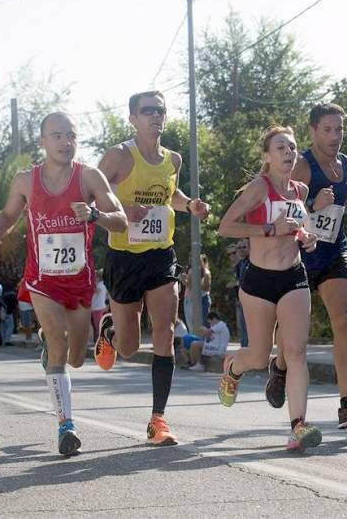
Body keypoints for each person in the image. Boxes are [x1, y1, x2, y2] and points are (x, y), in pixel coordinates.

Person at [0, 111, 127, 456]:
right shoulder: (25, 180)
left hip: (79, 282)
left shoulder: (89, 177)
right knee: (60, 346)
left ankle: (64, 347)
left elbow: (120, 221)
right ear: (42, 142)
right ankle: (65, 426)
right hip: (42, 280)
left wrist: (94, 215)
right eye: (57, 135)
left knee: (77, 356)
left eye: (72, 135)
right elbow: (8, 215)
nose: (66, 141)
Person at [94, 90, 210, 447]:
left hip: (160, 254)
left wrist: (189, 204)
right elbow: (89, 194)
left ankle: (158, 419)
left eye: (160, 110)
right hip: (123, 258)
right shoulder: (118, 156)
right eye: (148, 111)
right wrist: (123, 209)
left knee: (165, 332)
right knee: (129, 348)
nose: (156, 116)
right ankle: (111, 330)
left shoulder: (172, 160)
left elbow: (169, 196)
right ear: (132, 118)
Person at [264, 103, 347, 429]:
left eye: (339, 129)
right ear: (312, 131)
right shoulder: (302, 168)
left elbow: (343, 195)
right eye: (327, 129)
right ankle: (280, 366)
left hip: (334, 248)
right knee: (294, 328)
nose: (335, 136)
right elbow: (279, 207)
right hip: (299, 251)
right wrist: (311, 204)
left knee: (345, 320)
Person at [218, 125, 321, 451]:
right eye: (281, 148)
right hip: (259, 280)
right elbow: (225, 226)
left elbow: (299, 228)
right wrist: (267, 229)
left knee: (296, 351)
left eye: (292, 147)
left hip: (293, 277)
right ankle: (233, 368)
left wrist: (307, 237)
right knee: (259, 356)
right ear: (267, 155)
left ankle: (298, 426)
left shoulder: (301, 191)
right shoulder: (258, 188)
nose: (289, 153)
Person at [181, 254, 212, 331]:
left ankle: (204, 341)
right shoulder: (190, 271)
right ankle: (194, 341)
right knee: (191, 324)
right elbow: (190, 286)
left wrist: (194, 282)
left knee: (204, 323)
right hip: (189, 299)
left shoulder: (206, 272)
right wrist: (184, 280)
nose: (192, 262)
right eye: (191, 260)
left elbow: (207, 288)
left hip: (202, 299)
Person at [234, 239, 250, 347]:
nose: (241, 250)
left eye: (244, 247)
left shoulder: (254, 262)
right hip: (243, 302)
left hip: (253, 302)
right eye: (239, 248)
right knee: (244, 330)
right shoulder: (240, 264)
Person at [90, 270, 108, 343]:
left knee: (98, 325)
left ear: (98, 277)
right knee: (96, 324)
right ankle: (98, 340)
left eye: (95, 276)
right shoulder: (98, 284)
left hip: (99, 307)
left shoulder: (101, 284)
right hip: (95, 307)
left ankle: (101, 340)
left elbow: (97, 291)